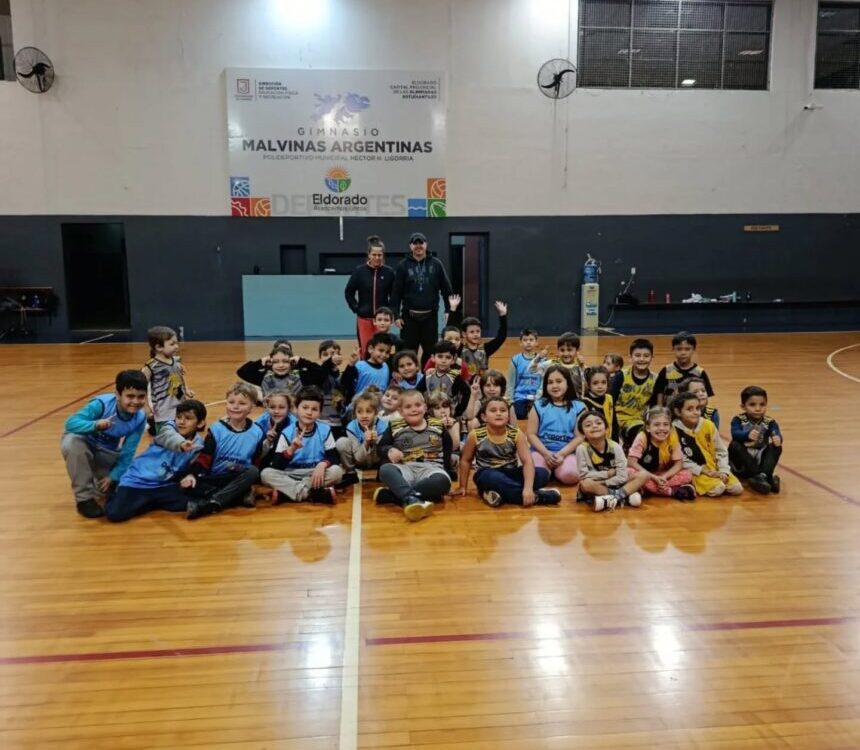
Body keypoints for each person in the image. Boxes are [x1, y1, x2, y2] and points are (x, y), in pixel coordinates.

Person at [61, 369, 149, 518]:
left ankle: (96, 482)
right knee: (73, 444)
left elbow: (128, 451)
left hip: (106, 451)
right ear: (117, 394)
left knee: (108, 487)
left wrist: (114, 476)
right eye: (130, 396)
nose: (135, 401)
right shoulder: (101, 404)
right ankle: (84, 499)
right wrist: (95, 425)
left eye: (141, 397)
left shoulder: (140, 418)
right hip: (83, 441)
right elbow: (70, 423)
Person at [104, 399, 207, 522]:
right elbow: (169, 436)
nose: (181, 422)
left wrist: (190, 476)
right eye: (179, 417)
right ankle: (115, 487)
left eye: (188, 418)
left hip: (163, 485)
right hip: (137, 480)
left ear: (200, 423)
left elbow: (194, 465)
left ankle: (148, 501)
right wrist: (181, 443)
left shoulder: (198, 444)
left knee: (197, 499)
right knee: (114, 514)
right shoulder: (167, 428)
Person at [457, 396, 560, 507]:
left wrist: (528, 488)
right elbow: (466, 460)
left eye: (503, 410)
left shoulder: (516, 434)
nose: (498, 413)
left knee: (542, 473)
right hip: (487, 473)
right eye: (493, 410)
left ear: (508, 416)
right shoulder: (475, 435)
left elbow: (527, 462)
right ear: (484, 417)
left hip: (510, 472)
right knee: (491, 478)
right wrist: (462, 486)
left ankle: (497, 493)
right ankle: (539, 497)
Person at [181, 383, 264, 520]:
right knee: (185, 484)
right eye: (231, 402)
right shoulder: (217, 429)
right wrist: (192, 475)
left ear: (252, 407)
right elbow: (205, 457)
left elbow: (255, 461)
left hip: (236, 478)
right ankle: (237, 496)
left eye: (242, 403)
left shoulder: (257, 432)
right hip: (214, 478)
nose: (235, 407)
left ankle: (211, 504)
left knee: (253, 471)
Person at [374, 390, 454, 522]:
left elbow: (448, 446)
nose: (414, 409)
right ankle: (413, 497)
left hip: (432, 469)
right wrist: (389, 450)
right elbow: (380, 448)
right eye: (408, 407)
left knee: (443, 482)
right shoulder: (395, 426)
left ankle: (401, 496)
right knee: (386, 469)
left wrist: (448, 469)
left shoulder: (438, 425)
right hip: (405, 468)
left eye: (418, 405)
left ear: (425, 407)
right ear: (400, 411)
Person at [261, 386, 344, 504]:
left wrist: (322, 464)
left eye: (314, 409)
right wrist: (291, 449)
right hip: (291, 473)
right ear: (296, 409)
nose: (309, 412)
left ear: (320, 413)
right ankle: (312, 494)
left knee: (337, 472)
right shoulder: (286, 432)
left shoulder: (325, 430)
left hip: (315, 472)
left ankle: (289, 493)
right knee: (266, 474)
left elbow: (333, 457)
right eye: (305, 408)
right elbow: (277, 465)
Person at [390, 232, 453, 366]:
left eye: (421, 243)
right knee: (407, 353)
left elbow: (446, 289)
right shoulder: (403, 266)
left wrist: (448, 309)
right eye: (415, 243)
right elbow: (396, 293)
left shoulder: (436, 264)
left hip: (430, 318)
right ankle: (407, 378)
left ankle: (427, 377)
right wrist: (396, 315)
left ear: (426, 245)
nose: (418, 246)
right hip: (409, 318)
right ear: (410, 246)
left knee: (430, 353)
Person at [671, 392, 742, 498]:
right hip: (696, 471)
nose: (695, 412)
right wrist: (704, 471)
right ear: (678, 411)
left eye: (698, 408)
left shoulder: (708, 425)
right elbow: (681, 460)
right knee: (718, 488)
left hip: (715, 468)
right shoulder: (674, 430)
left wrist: (724, 471)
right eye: (690, 409)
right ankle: (691, 484)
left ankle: (719, 479)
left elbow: (721, 450)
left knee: (737, 488)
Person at [575, 410, 648, 512]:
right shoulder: (581, 449)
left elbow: (622, 477)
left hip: (613, 483)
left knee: (644, 474)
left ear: (606, 428)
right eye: (588, 425)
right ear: (583, 433)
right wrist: (607, 474)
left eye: (598, 423)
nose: (594, 426)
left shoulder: (616, 447)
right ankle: (624, 496)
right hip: (597, 485)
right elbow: (583, 475)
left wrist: (605, 481)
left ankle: (611, 498)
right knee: (586, 484)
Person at [526, 365, 585, 485]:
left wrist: (562, 454)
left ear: (568, 383)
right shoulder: (538, 405)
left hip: (567, 453)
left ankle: (557, 470)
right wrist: (546, 454)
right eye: (550, 382)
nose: (554, 386)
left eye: (559, 381)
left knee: (570, 476)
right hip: (541, 451)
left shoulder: (579, 407)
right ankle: (547, 470)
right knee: (537, 475)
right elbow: (531, 434)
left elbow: (579, 437)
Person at [626, 406, 695, 501]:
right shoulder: (642, 438)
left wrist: (664, 477)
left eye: (666, 424)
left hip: (662, 475)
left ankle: (646, 489)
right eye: (657, 425)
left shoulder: (673, 439)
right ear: (648, 428)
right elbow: (631, 462)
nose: (662, 428)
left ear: (670, 427)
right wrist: (653, 477)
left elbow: (679, 464)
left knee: (687, 474)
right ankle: (670, 491)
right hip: (644, 475)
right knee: (629, 472)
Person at [344, 235, 395, 354]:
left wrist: (390, 311)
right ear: (369, 255)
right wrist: (356, 308)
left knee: (382, 350)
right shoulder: (359, 271)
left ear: (383, 255)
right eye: (374, 255)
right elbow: (349, 292)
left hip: (382, 320)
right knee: (366, 350)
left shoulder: (389, 272)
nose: (377, 258)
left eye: (379, 255)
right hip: (364, 319)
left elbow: (394, 295)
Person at [729, 385, 783, 495]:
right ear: (743, 406)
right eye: (752, 405)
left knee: (776, 447)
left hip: (760, 456)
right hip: (744, 461)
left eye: (762, 404)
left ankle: (763, 476)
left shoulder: (770, 422)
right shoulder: (738, 419)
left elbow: (776, 432)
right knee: (734, 445)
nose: (758, 409)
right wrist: (746, 435)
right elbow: (735, 434)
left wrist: (778, 438)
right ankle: (764, 478)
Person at [142, 326, 193, 433]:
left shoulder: (175, 360)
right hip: (163, 412)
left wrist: (186, 389)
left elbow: (177, 377)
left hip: (179, 409)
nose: (176, 346)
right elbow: (141, 387)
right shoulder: (151, 366)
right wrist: (145, 406)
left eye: (176, 343)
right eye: (172, 344)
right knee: (165, 438)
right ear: (159, 347)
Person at [335, 390, 388, 487]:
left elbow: (383, 452)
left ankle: (382, 471)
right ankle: (351, 474)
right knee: (341, 442)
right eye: (359, 412)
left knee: (389, 444)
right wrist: (366, 443)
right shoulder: (352, 427)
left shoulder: (382, 426)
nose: (364, 416)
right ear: (354, 413)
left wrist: (374, 442)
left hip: (377, 460)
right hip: (360, 460)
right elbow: (359, 458)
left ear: (375, 413)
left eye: (369, 411)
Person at [611, 338, 656, 447]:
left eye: (646, 356)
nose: (642, 359)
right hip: (616, 420)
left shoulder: (655, 379)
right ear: (630, 357)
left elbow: (654, 407)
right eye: (637, 355)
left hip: (638, 422)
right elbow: (610, 401)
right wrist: (613, 429)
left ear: (652, 357)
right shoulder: (621, 376)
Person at [651, 331, 714, 406]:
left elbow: (705, 398)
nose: (683, 353)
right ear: (673, 349)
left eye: (687, 349)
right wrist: (660, 410)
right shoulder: (666, 370)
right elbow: (659, 392)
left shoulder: (700, 373)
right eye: (679, 349)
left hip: (692, 410)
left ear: (694, 349)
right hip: (670, 410)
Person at [455, 301, 509, 378]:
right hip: (464, 384)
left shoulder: (486, 349)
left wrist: (503, 315)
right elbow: (449, 334)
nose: (475, 334)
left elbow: (501, 337)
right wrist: (453, 310)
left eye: (478, 331)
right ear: (464, 334)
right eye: (472, 332)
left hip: (482, 384)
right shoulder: (459, 349)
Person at [422, 340, 471, 416]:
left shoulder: (455, 376)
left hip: (449, 416)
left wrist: (457, 412)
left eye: (448, 357)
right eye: (440, 356)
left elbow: (467, 393)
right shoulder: (428, 375)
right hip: (430, 415)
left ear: (453, 359)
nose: (443, 360)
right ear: (433, 357)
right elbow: (417, 392)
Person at [530, 332, 586, 400]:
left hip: (573, 402)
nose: (566, 353)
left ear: (577, 350)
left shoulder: (579, 366)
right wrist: (538, 358)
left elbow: (587, 385)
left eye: (569, 350)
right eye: (562, 350)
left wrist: (583, 366)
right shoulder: (552, 364)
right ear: (558, 349)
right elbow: (532, 370)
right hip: (550, 401)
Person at [237, 344, 301, 399]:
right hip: (269, 398)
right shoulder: (266, 376)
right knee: (244, 386)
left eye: (285, 361)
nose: (281, 365)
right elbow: (242, 372)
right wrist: (260, 362)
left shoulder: (298, 374)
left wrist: (301, 361)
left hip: (291, 399)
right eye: (276, 361)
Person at [340, 333, 392, 400]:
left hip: (378, 405)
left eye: (387, 352)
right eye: (381, 350)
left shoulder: (386, 367)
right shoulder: (359, 366)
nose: (384, 355)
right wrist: (350, 365)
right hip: (360, 404)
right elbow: (344, 382)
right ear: (370, 349)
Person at [506, 327, 544, 419]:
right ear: (520, 343)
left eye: (531, 340)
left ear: (536, 342)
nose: (528, 342)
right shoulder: (515, 360)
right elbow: (510, 382)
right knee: (519, 414)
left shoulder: (542, 360)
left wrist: (539, 395)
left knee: (539, 415)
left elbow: (544, 381)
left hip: (536, 396)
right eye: (525, 340)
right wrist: (509, 400)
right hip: (520, 396)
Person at [255, 390, 293, 470]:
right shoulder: (259, 425)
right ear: (267, 408)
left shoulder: (295, 425)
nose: (276, 411)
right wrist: (268, 442)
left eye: (281, 407)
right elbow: (255, 457)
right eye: (272, 407)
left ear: (289, 408)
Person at [582, 366, 619, 442]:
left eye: (603, 382)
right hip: (592, 442)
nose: (600, 386)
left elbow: (614, 423)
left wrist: (615, 442)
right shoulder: (584, 403)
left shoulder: (609, 398)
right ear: (588, 384)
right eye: (595, 383)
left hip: (609, 441)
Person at [427, 390, 461, 471]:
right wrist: (439, 426)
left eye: (445, 407)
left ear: (450, 408)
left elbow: (454, 446)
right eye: (438, 408)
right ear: (431, 410)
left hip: (450, 453)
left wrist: (450, 428)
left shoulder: (454, 422)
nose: (442, 411)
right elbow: (430, 444)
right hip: (431, 452)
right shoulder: (427, 422)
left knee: (455, 457)